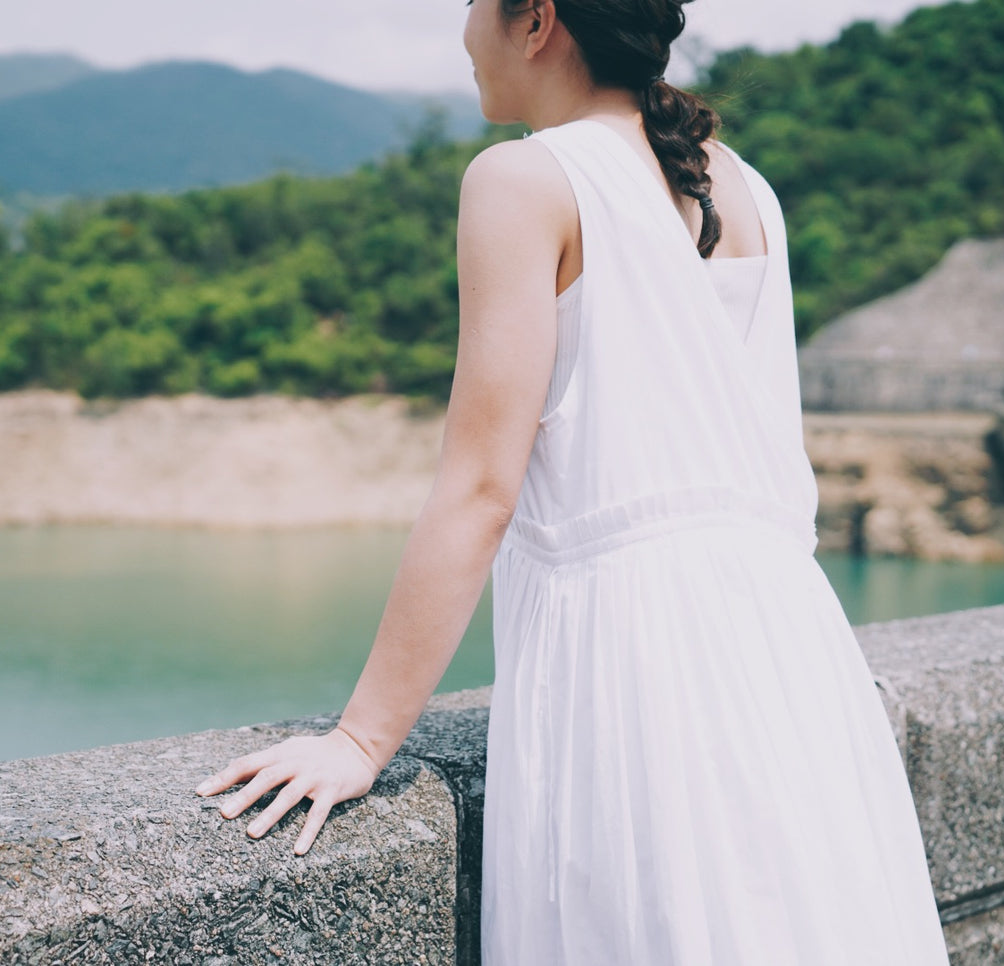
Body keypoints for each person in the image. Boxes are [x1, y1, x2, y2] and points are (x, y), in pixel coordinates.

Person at [196, 0, 954, 961]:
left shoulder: (522, 179)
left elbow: (481, 488)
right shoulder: (748, 188)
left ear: (536, 20)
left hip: (637, 661)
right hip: (793, 655)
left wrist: (358, 741)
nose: (462, 31)